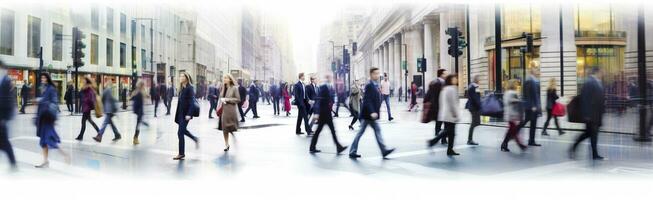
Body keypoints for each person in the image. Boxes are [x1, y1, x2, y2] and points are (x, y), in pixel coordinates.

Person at [349, 68, 395, 159]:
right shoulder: (369, 85)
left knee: (376, 131)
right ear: (371, 74)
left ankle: (383, 150)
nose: (377, 75)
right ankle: (352, 151)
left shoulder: (375, 85)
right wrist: (372, 112)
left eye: (378, 73)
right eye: (376, 73)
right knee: (361, 133)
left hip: (371, 115)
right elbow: (367, 101)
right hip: (368, 115)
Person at [35, 72, 70, 168]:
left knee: (49, 140)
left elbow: (54, 102)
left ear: (47, 79)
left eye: (44, 78)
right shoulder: (43, 89)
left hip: (47, 119)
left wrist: (42, 101)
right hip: (42, 118)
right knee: (43, 141)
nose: (42, 79)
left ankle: (65, 154)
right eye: (41, 78)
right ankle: (45, 161)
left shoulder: (51, 89)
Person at [571, 67, 606, 160]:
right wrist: (586, 115)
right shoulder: (589, 82)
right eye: (602, 72)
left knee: (589, 134)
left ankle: (592, 153)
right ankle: (593, 153)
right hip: (591, 115)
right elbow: (584, 100)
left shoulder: (598, 82)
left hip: (596, 115)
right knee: (590, 134)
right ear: (597, 72)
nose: (603, 74)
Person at [309, 74, 348, 154]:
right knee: (320, 131)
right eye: (329, 77)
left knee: (329, 131)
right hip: (323, 113)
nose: (331, 79)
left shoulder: (330, 87)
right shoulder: (323, 87)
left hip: (327, 113)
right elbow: (318, 100)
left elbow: (331, 98)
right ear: (327, 78)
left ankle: (337, 146)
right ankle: (337, 147)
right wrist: (316, 113)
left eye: (331, 77)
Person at [427, 74, 461, 156]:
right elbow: (453, 103)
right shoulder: (452, 89)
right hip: (450, 114)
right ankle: (433, 141)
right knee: (449, 131)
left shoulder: (444, 89)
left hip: (444, 113)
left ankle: (449, 150)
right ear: (450, 80)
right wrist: (455, 114)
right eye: (454, 79)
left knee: (451, 133)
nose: (456, 80)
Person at [173, 72, 199, 160]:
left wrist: (189, 114)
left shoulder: (190, 88)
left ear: (186, 78)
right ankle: (195, 139)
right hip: (180, 114)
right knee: (182, 131)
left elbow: (192, 102)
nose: (180, 77)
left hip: (186, 114)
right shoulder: (182, 89)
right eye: (180, 76)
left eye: (182, 76)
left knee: (180, 132)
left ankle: (181, 153)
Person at [517, 66, 542, 146]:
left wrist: (538, 106)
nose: (538, 71)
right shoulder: (529, 80)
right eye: (536, 69)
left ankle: (531, 141)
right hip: (531, 106)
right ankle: (514, 131)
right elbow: (528, 95)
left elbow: (537, 95)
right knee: (526, 121)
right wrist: (532, 106)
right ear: (532, 71)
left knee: (533, 124)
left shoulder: (535, 80)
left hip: (534, 106)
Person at [501, 80, 527, 152]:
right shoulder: (511, 93)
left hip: (511, 114)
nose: (516, 85)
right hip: (511, 114)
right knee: (513, 130)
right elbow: (511, 101)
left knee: (511, 130)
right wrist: (518, 100)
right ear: (513, 85)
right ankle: (520, 145)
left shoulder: (507, 92)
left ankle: (504, 144)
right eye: (515, 84)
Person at [0, 60, 17, 169]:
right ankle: (13, 162)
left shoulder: (6, 80)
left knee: (4, 141)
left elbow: (8, 100)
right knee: (3, 142)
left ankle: (13, 162)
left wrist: (4, 118)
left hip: (2, 117)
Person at [427, 69, 449, 147]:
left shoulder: (444, 83)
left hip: (444, 106)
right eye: (445, 74)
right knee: (440, 123)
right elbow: (432, 96)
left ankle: (441, 138)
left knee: (444, 123)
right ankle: (439, 137)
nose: (446, 75)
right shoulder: (436, 83)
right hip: (438, 107)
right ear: (441, 74)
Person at [75, 77, 100, 141]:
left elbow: (90, 98)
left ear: (87, 81)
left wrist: (86, 101)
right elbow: (80, 94)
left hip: (87, 108)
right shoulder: (85, 88)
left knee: (84, 122)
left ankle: (81, 136)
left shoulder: (89, 88)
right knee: (89, 121)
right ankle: (99, 132)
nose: (83, 81)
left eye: (84, 81)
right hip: (85, 107)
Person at [219, 74, 240, 152]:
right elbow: (220, 97)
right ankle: (226, 144)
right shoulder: (223, 88)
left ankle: (233, 135)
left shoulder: (234, 88)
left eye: (226, 78)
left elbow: (238, 99)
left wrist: (227, 100)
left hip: (231, 110)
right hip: (224, 111)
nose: (224, 79)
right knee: (224, 128)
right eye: (224, 78)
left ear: (230, 79)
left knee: (230, 126)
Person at [464, 75, 482, 145]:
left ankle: (470, 139)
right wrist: (480, 105)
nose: (479, 80)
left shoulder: (471, 86)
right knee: (474, 123)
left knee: (476, 122)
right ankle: (469, 139)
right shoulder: (475, 86)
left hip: (472, 106)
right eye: (478, 79)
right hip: (474, 107)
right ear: (476, 80)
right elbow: (476, 98)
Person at [131, 80, 149, 145]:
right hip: (139, 111)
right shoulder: (141, 92)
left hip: (137, 110)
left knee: (138, 123)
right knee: (138, 125)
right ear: (142, 85)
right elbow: (147, 96)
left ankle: (135, 138)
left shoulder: (136, 92)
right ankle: (135, 138)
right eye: (143, 85)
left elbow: (131, 98)